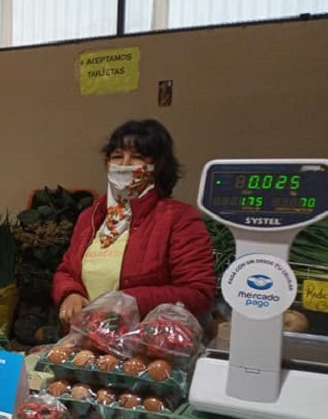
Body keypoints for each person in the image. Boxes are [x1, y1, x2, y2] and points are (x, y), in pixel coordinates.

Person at [52, 119, 216, 324]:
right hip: (86, 340)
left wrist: (127, 301)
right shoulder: (91, 216)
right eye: (117, 157)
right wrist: (70, 293)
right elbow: (67, 271)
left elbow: (198, 293)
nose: (124, 165)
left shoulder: (179, 218)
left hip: (146, 345)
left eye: (137, 158)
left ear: (157, 167)